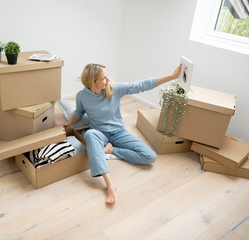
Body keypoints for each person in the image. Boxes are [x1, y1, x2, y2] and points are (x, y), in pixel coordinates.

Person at [60, 63, 182, 204]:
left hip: (118, 132)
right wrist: (70, 122)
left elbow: (141, 85)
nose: (108, 80)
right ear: (93, 82)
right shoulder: (82, 96)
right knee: (89, 134)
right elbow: (80, 111)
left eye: (106, 76)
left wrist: (172, 77)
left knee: (150, 157)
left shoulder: (114, 88)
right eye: (103, 78)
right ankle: (109, 183)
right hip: (99, 132)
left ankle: (111, 150)